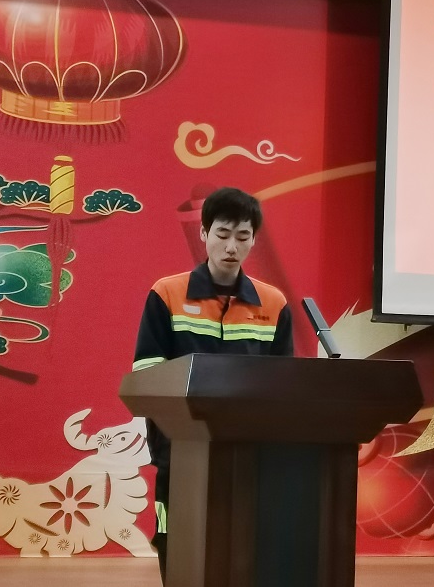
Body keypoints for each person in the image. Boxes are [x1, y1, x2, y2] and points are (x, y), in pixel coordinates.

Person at [131, 187, 293, 583]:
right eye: (222, 234)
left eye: (242, 236)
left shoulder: (274, 303)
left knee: (241, 546)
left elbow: (283, 383)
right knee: (178, 542)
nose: (231, 246)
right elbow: (148, 370)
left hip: (248, 452)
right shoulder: (167, 293)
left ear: (254, 240)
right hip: (180, 449)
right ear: (204, 234)